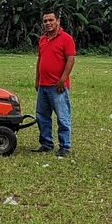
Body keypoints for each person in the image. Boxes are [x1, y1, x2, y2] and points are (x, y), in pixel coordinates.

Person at [35, 11, 76, 155]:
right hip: (43, 85)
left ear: (58, 21)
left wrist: (62, 80)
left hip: (58, 87)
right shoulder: (42, 39)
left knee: (62, 117)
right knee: (42, 116)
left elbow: (71, 60)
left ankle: (65, 146)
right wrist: (37, 80)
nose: (48, 23)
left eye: (51, 20)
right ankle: (46, 143)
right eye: (45, 21)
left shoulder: (66, 38)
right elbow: (40, 60)